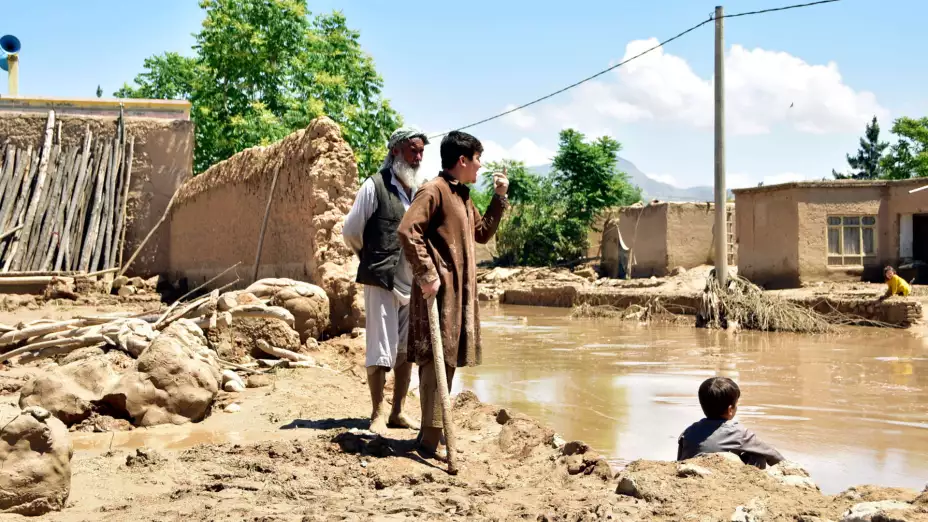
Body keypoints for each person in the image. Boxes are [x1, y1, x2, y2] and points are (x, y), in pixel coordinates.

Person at [398, 130, 509, 458]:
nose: (480, 166)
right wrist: (427, 275)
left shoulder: (461, 194)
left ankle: (429, 436)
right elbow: (407, 231)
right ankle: (430, 441)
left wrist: (499, 197)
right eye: (477, 160)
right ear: (462, 160)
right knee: (436, 363)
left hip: (457, 296)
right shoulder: (433, 190)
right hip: (439, 294)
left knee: (445, 362)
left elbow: (482, 233)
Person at [342, 126, 429, 434]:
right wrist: (370, 258)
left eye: (421, 151)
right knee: (380, 347)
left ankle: (398, 411)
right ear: (395, 152)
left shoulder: (420, 190)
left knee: (405, 348)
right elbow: (351, 230)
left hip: (412, 283)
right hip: (381, 278)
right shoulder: (375, 186)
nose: (418, 156)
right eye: (412, 150)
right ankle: (377, 413)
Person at [677, 376, 784, 469]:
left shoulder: (688, 432)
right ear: (730, 409)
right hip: (722, 477)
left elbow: (679, 460)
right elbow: (772, 454)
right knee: (758, 456)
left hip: (693, 474)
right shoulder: (738, 433)